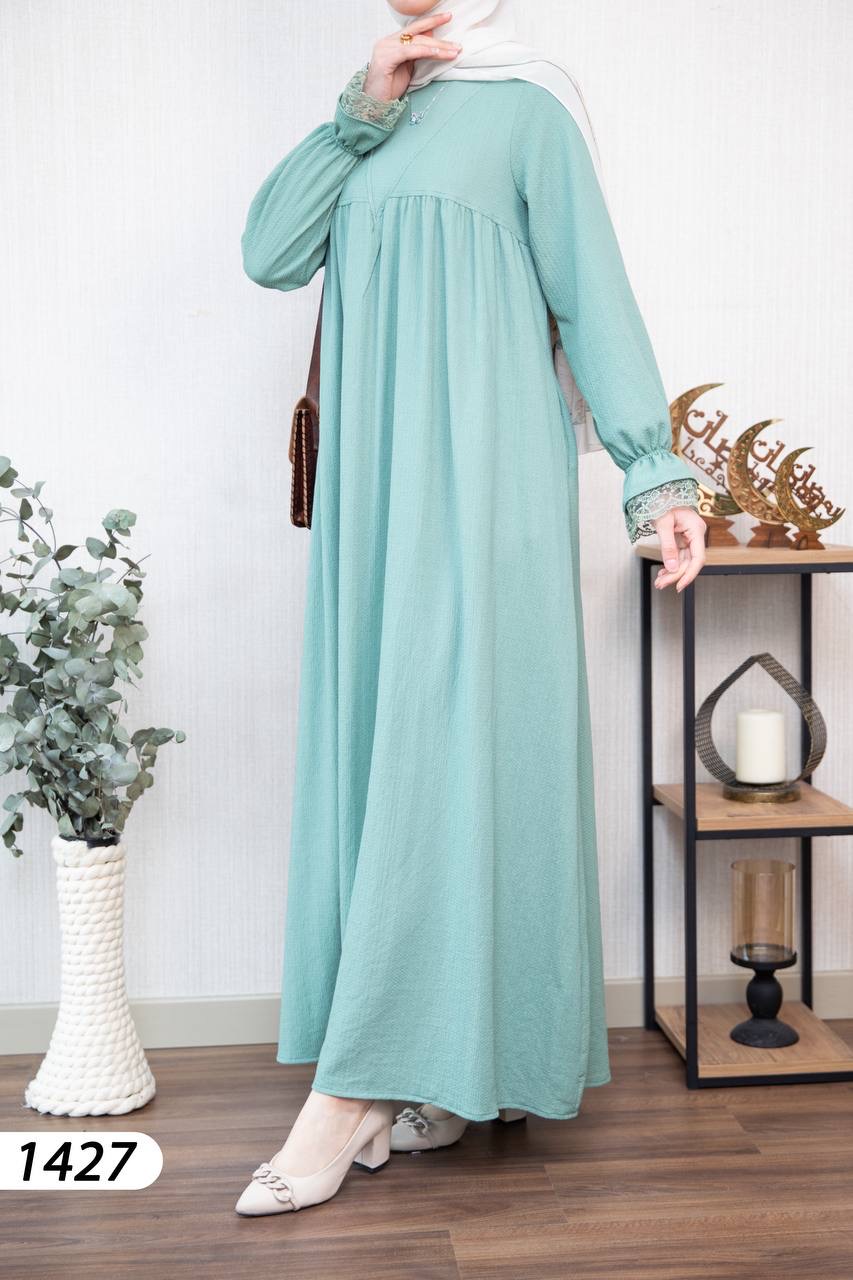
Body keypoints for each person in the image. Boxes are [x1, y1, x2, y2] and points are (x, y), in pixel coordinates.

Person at [236, 0, 707, 1217]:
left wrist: (656, 476)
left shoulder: (530, 108)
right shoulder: (369, 116)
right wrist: (361, 111)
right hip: (373, 501)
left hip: (484, 489)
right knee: (385, 763)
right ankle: (432, 1073)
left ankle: (349, 1093)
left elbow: (594, 297)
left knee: (449, 760)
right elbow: (270, 252)